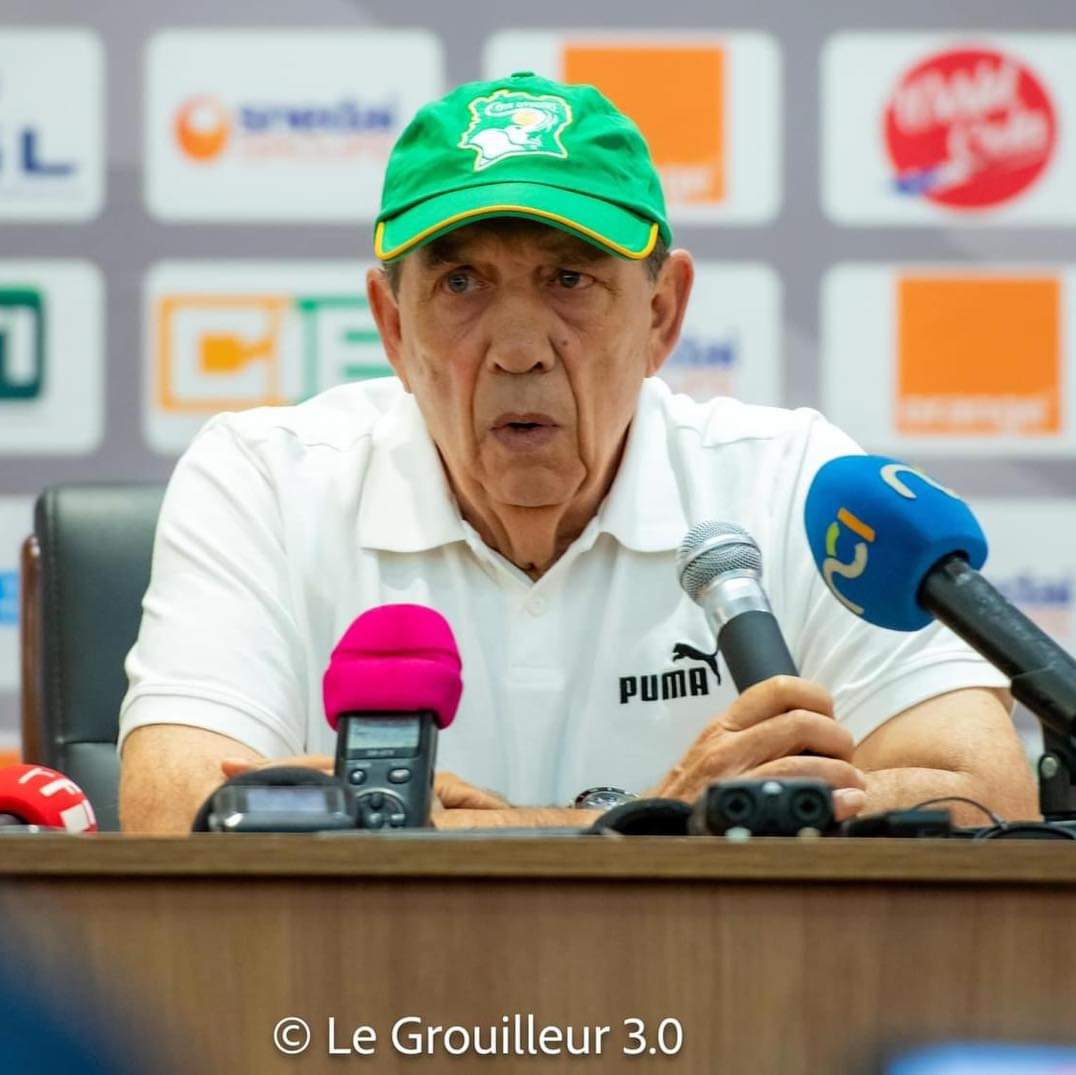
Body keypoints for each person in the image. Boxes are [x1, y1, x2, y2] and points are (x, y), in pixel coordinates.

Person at [119, 72, 1036, 833]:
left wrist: (427, 828)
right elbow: (174, 812)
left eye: (569, 279)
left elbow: (982, 792)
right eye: (463, 282)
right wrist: (661, 823)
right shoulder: (264, 479)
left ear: (661, 314)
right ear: (394, 327)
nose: (519, 347)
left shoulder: (790, 482)